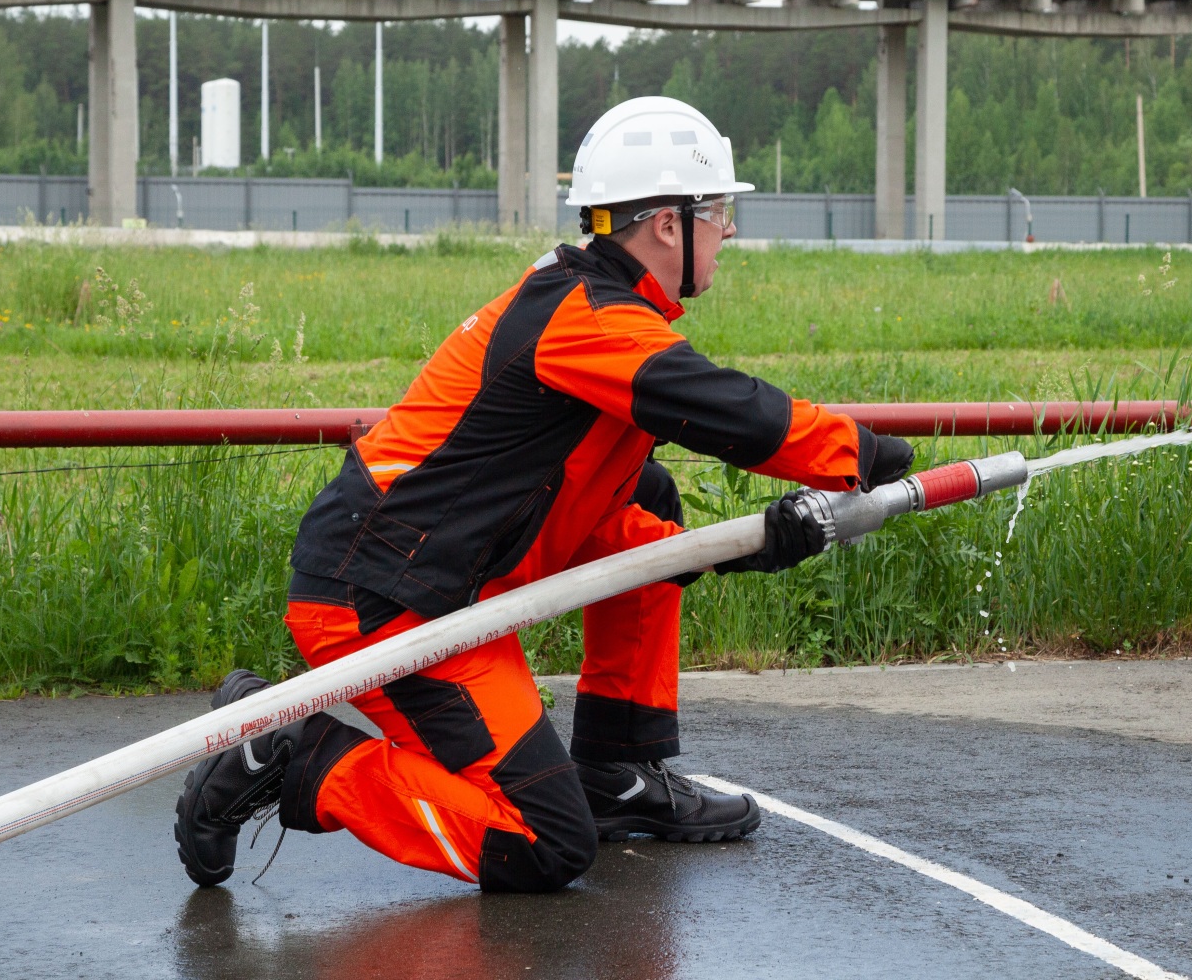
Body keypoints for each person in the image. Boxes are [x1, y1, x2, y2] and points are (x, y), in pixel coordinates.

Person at [173, 96, 914, 893]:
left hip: (446, 596)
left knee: (652, 492)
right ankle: (296, 757)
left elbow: (599, 529)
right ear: (669, 223)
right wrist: (862, 456)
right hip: (381, 602)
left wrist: (747, 547)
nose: (728, 230)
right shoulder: (586, 319)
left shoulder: (599, 309)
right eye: (719, 210)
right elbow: (729, 409)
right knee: (542, 845)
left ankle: (619, 772)